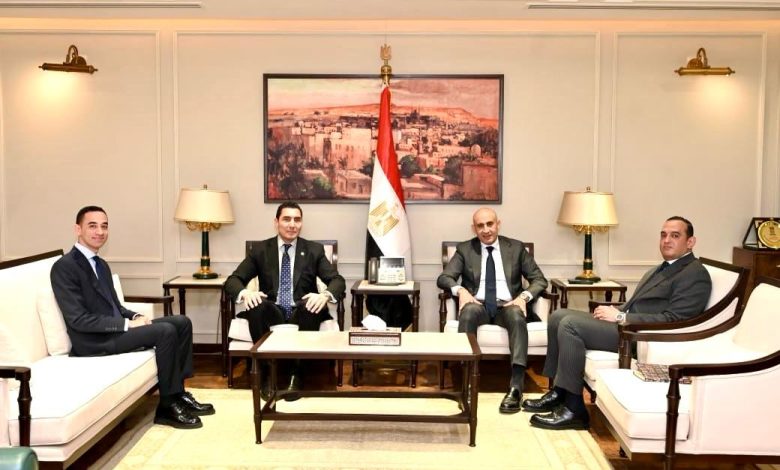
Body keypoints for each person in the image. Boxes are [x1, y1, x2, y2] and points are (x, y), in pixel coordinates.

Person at [523, 216, 712, 430]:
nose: (667, 240)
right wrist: (617, 310)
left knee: (569, 325)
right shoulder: (662, 268)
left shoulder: (694, 274)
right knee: (558, 316)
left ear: (690, 242)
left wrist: (622, 317)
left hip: (641, 337)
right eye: (663, 235)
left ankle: (574, 409)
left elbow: (675, 320)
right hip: (626, 325)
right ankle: (559, 392)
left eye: (675, 236)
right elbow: (638, 304)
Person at [51, 206, 213, 430]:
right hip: (93, 341)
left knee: (181, 322)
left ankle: (179, 394)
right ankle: (167, 407)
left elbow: (115, 305)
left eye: (104, 226)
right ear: (78, 229)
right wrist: (127, 324)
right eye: (93, 226)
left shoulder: (100, 264)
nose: (100, 232)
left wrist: (136, 315)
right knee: (165, 331)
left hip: (114, 331)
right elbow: (78, 320)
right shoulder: (64, 267)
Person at [224, 201, 346, 399]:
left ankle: (295, 375)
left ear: (301, 223)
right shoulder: (261, 250)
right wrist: (246, 293)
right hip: (273, 310)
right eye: (287, 219)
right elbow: (233, 280)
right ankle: (265, 373)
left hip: (302, 311)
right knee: (257, 305)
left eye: (297, 220)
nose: (292, 224)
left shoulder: (314, 250)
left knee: (310, 306)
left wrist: (324, 296)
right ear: (276, 222)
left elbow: (337, 281)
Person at [437, 207, 548, 413]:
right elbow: (444, 278)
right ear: (474, 228)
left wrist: (523, 298)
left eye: (490, 224)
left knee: (516, 314)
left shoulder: (515, 248)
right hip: (478, 305)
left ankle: (516, 388)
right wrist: (461, 290)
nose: (486, 230)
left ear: (498, 224)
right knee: (468, 311)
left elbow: (539, 280)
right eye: (480, 226)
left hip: (507, 305)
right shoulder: (465, 249)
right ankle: (466, 384)